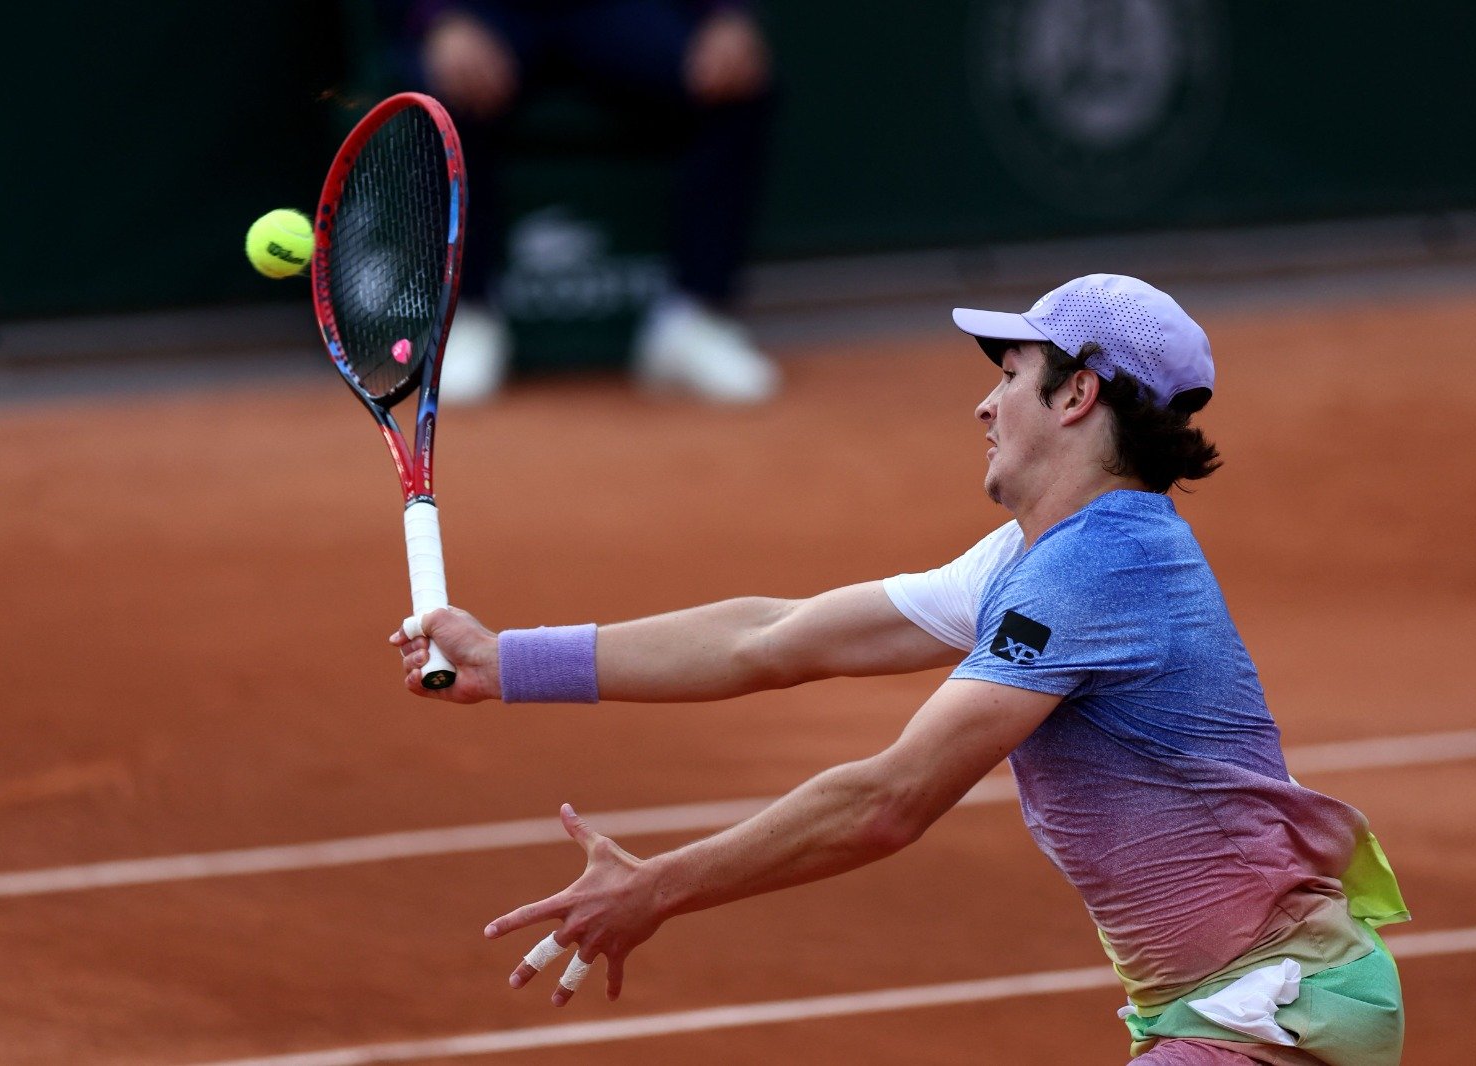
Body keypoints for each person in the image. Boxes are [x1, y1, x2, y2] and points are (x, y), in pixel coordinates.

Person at [390, 274, 1409, 1064]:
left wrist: (660, 886)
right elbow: (777, 636)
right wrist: (510, 660)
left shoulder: (1098, 571)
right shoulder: (1038, 558)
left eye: (1008, 374)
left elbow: (887, 799)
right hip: (1223, 1002)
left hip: (1267, 1004)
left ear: (1077, 394)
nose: (983, 404)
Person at [386, 0, 780, 404]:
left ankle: (696, 319)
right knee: (444, 92)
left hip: (616, 11)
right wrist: (441, 19)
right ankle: (465, 317)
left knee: (735, 78)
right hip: (482, 10)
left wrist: (725, 13)